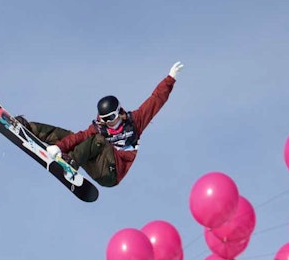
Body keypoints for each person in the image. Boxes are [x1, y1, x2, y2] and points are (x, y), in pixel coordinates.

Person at [18, 62, 183, 187]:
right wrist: (60, 147)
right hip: (97, 163)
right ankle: (28, 127)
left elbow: (155, 101)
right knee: (73, 137)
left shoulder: (135, 122)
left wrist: (170, 79)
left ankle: (71, 161)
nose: (108, 122)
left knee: (98, 140)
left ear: (119, 112)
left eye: (111, 117)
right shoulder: (99, 127)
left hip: (112, 173)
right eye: (104, 118)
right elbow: (78, 137)